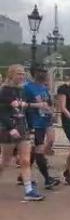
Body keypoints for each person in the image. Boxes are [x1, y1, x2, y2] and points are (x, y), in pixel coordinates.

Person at [0, 65, 44, 201]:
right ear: (11, 74)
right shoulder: (3, 91)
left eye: (23, 74)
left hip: (21, 126)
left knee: (25, 160)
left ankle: (29, 190)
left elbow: (24, 109)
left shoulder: (22, 90)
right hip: (7, 128)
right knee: (5, 161)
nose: (21, 76)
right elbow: (2, 112)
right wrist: (10, 127)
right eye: (19, 73)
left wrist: (29, 127)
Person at [23, 64, 60, 189]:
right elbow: (22, 104)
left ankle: (22, 176)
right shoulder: (27, 87)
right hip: (35, 122)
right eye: (42, 71)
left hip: (45, 120)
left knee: (41, 146)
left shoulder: (44, 87)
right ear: (35, 73)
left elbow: (48, 102)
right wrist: (35, 106)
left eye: (45, 71)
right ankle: (47, 179)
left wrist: (52, 112)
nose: (44, 74)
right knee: (38, 149)